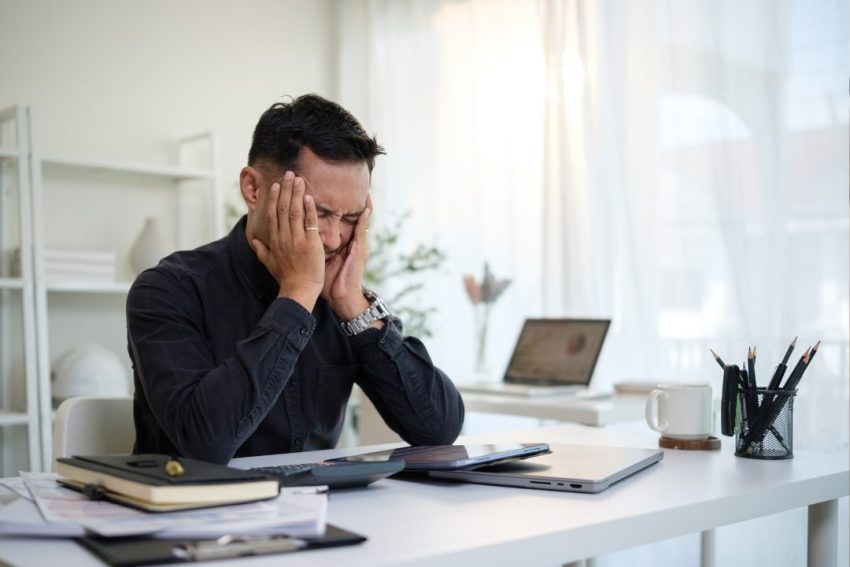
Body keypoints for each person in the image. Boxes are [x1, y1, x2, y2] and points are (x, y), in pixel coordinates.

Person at [127, 94, 464, 464]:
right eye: (317, 212)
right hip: (197, 513)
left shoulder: (342, 300)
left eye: (351, 218)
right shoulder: (168, 290)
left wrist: (353, 304)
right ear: (253, 190)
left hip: (322, 513)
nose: (334, 239)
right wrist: (298, 294)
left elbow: (438, 429)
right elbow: (205, 444)